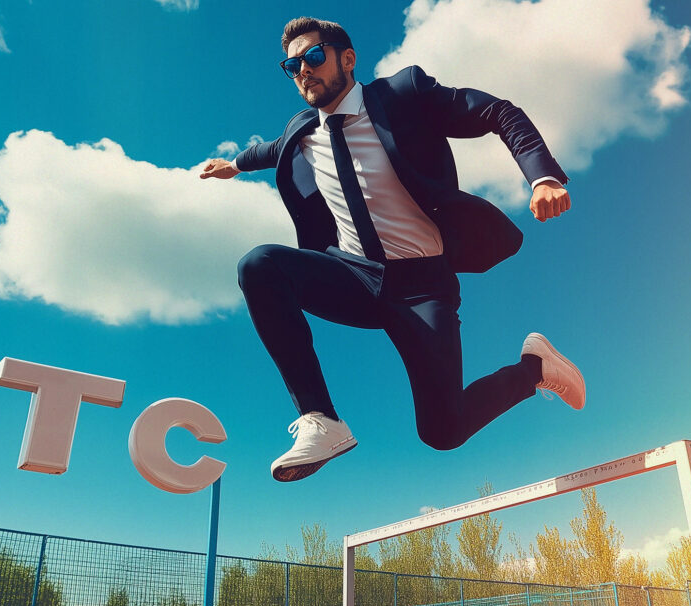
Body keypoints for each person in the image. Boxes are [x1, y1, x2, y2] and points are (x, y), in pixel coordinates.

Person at [200, 17, 585, 482]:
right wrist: (234, 165)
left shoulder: (404, 95)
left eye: (314, 57)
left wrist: (542, 176)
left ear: (347, 58)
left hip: (424, 286)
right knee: (260, 265)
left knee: (444, 431)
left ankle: (534, 368)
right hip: (354, 277)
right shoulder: (301, 133)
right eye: (292, 65)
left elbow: (496, 112)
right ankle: (321, 419)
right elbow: (268, 150)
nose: (303, 70)